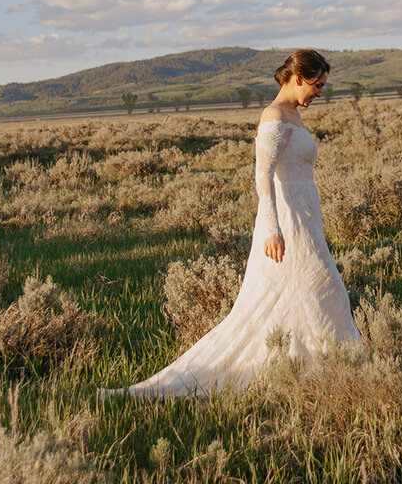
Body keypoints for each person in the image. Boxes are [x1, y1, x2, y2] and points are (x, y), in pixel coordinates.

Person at [99, 49, 362, 399]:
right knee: (323, 287)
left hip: (306, 219)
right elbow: (263, 174)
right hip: (286, 221)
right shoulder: (274, 115)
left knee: (319, 292)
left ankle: (319, 368)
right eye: (317, 85)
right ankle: (323, 367)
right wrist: (271, 227)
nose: (319, 92)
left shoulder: (294, 115)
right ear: (299, 78)